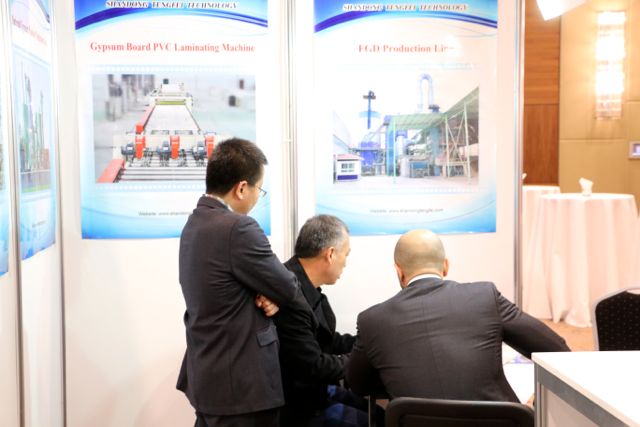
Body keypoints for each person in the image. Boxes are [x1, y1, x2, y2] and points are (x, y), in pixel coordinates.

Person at [346, 229, 571, 403]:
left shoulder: (372, 320)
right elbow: (555, 349)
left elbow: (358, 385)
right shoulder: (484, 296)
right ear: (445, 266)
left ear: (399, 271)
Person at [177, 138, 299, 427]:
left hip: (209, 377)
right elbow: (287, 287)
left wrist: (266, 293)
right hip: (240, 388)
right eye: (259, 189)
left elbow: (225, 289)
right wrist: (271, 293)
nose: (258, 197)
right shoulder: (238, 228)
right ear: (242, 188)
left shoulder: (194, 223)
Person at [274, 215, 376, 427]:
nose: (345, 263)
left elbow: (325, 338)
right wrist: (360, 361)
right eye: (346, 255)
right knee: (376, 422)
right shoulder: (290, 297)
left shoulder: (300, 284)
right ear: (330, 254)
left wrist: (368, 345)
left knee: (380, 415)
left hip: (315, 392)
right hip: (300, 407)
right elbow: (313, 366)